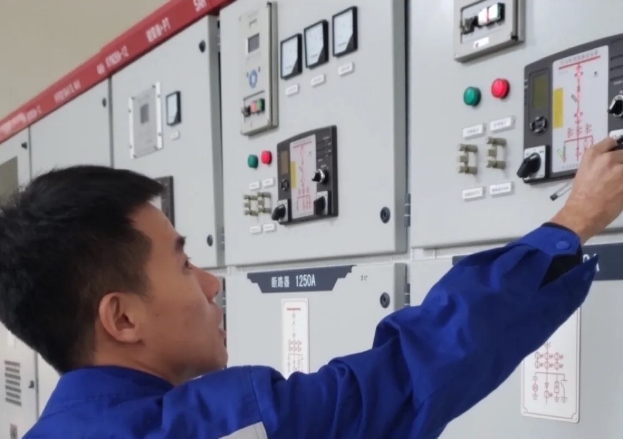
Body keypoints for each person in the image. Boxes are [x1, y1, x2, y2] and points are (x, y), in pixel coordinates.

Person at [1, 136, 622, 439]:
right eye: (184, 263)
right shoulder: (212, 428)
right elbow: (413, 372)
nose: (213, 283)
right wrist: (571, 223)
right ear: (122, 318)